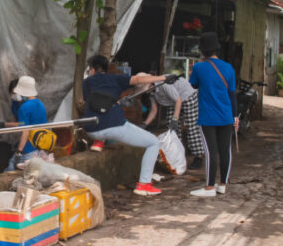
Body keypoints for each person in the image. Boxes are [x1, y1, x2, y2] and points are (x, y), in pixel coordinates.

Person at [81, 55, 177, 195]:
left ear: (93, 69)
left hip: (91, 130)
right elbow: (138, 79)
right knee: (154, 143)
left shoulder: (87, 83)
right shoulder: (116, 79)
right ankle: (144, 184)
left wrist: (117, 101)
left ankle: (98, 143)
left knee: (102, 119)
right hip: (114, 127)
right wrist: (164, 78)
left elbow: (93, 101)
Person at [188, 32, 238, 197]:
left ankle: (209, 187)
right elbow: (232, 94)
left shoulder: (198, 67)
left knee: (210, 151)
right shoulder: (228, 68)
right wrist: (235, 116)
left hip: (208, 116)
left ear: (202, 50)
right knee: (225, 151)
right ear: (216, 48)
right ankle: (223, 184)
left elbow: (193, 85)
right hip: (226, 115)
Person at [142, 71, 204, 167]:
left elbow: (178, 100)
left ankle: (198, 156)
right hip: (172, 101)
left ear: (150, 83)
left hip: (187, 96)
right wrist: (144, 124)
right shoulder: (151, 92)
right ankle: (177, 156)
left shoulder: (163, 83)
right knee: (172, 130)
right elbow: (154, 110)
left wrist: (175, 119)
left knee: (191, 126)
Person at [4, 76, 47, 171]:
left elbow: (25, 131)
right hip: (41, 147)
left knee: (11, 170)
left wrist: (19, 152)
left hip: (28, 150)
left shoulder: (24, 108)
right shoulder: (40, 104)